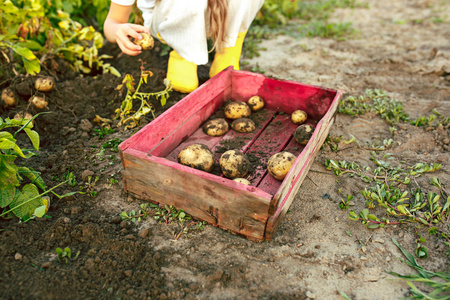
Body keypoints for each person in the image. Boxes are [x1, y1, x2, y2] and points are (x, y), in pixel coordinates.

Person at [104, 0, 264, 93]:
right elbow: (113, 21)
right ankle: (183, 57)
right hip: (173, 17)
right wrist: (118, 30)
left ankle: (228, 52)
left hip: (220, 13)